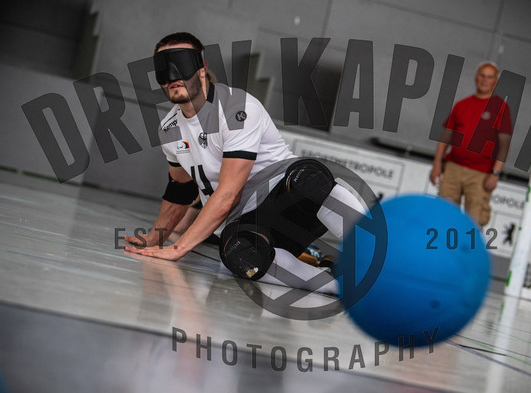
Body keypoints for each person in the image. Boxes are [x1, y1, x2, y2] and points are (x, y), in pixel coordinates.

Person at [124, 32, 364, 295]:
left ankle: (375, 253)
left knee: (308, 178)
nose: (173, 76)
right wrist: (155, 237)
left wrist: (178, 248)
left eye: (181, 63)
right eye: (163, 69)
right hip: (248, 226)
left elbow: (229, 193)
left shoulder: (237, 108)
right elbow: (180, 189)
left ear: (202, 68)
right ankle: (339, 286)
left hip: (291, 202)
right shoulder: (169, 129)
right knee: (239, 254)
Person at [429, 61, 512, 226]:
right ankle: (443, 243)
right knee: (443, 215)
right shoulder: (462, 105)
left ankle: (467, 244)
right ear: (476, 77)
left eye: (489, 77)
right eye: (482, 75)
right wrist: (437, 164)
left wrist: (495, 173)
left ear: (495, 81)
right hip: (453, 168)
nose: (485, 80)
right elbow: (446, 138)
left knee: (474, 222)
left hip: (481, 174)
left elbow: (504, 145)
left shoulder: (501, 108)